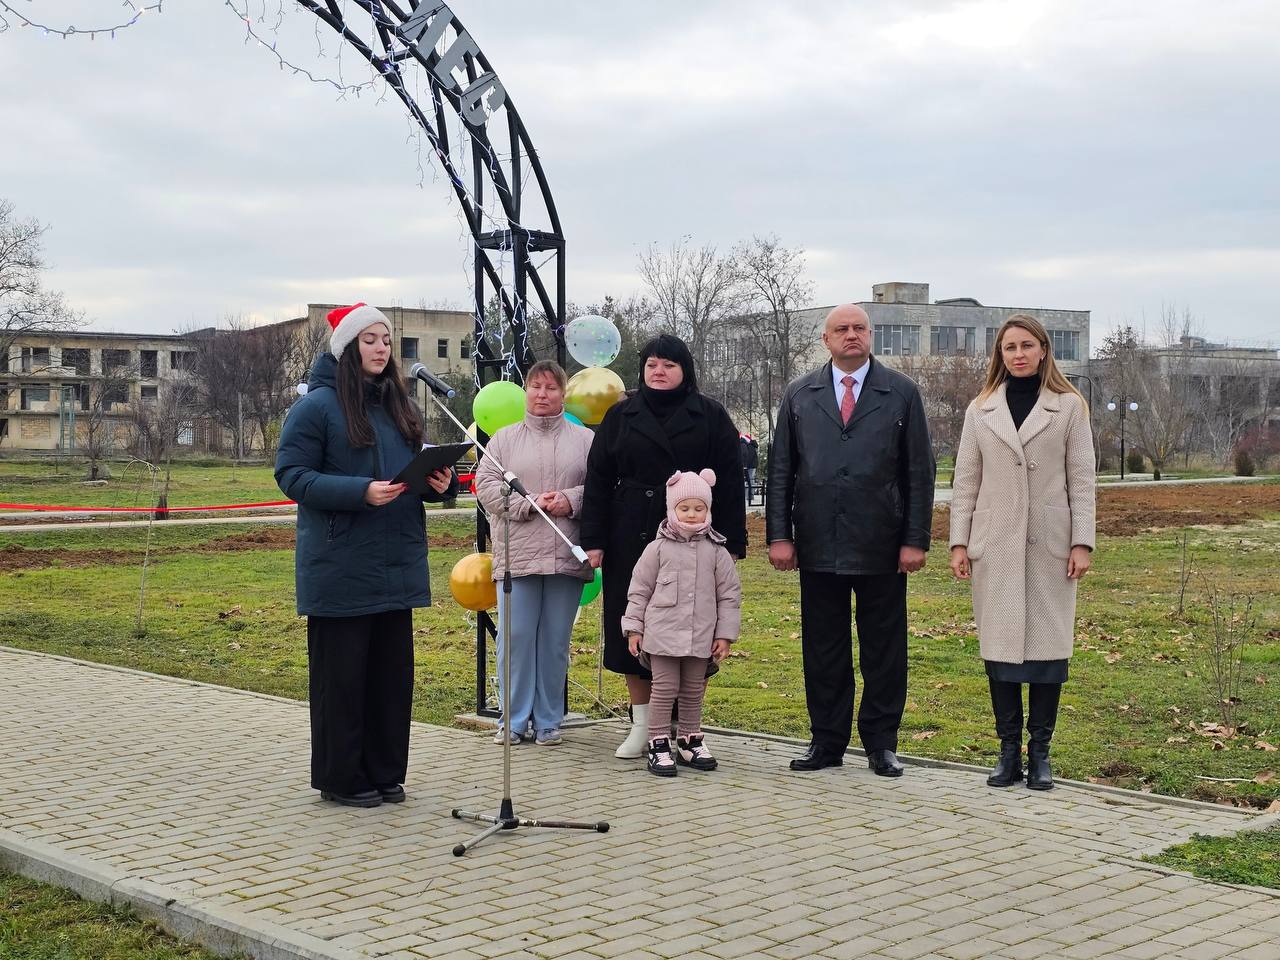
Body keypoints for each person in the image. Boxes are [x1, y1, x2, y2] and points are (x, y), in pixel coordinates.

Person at [275, 302, 457, 808]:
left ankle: (384, 772)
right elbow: (291, 475)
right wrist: (360, 492)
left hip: (396, 563)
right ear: (347, 347)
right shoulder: (316, 407)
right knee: (343, 681)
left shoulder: (400, 405)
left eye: (386, 340)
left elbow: (415, 469)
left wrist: (441, 484)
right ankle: (342, 778)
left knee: (390, 679)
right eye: (369, 339)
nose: (381, 348)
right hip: (342, 565)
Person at [766, 304, 935, 776]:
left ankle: (882, 743)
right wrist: (779, 535)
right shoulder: (800, 394)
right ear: (826, 340)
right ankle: (826, 741)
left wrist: (915, 539)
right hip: (818, 542)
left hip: (882, 542)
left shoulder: (901, 392)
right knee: (824, 649)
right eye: (841, 329)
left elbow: (919, 471)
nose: (851, 335)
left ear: (871, 335)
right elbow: (781, 470)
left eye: (859, 328)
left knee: (884, 648)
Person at [579, 334, 747, 759]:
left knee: (693, 627)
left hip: (696, 537)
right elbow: (597, 479)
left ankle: (685, 726)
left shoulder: (710, 414)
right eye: (652, 364)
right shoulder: (621, 415)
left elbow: (730, 480)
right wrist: (594, 540)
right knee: (634, 625)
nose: (659, 371)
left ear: (684, 370)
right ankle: (642, 725)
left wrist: (731, 542)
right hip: (631, 534)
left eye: (669, 365)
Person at [948, 314, 1095, 791]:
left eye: (1027, 345)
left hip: (1050, 547)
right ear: (1000, 354)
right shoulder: (981, 409)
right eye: (1009, 347)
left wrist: (1081, 541)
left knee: (1049, 654)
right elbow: (966, 481)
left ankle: (1041, 753)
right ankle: (1008, 751)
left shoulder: (1069, 407)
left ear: (1044, 350)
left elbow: (1082, 481)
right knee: (1001, 651)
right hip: (995, 546)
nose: (1018, 354)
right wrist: (959, 541)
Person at [473, 360, 595, 747]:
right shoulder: (503, 440)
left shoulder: (586, 441)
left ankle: (548, 720)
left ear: (563, 394)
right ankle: (512, 719)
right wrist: (527, 504)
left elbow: (600, 488)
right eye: (535, 387)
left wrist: (570, 500)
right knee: (516, 638)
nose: (542, 395)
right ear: (526, 391)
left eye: (551, 388)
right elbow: (486, 486)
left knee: (555, 641)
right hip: (518, 559)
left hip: (565, 556)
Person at [621, 469, 742, 776]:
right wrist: (634, 628)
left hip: (700, 635)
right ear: (671, 509)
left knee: (692, 689)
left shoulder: (716, 551)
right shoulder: (657, 549)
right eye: (684, 508)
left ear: (708, 510)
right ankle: (658, 742)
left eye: (698, 508)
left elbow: (729, 595)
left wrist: (725, 634)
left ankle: (689, 739)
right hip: (661, 634)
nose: (691, 514)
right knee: (664, 688)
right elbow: (639, 589)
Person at [740, 433, 759, 502]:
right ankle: (750, 495)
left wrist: (745, 465)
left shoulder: (746, 445)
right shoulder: (751, 445)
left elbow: (747, 456)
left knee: (749, 480)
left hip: (749, 465)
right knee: (751, 480)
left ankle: (748, 495)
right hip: (752, 465)